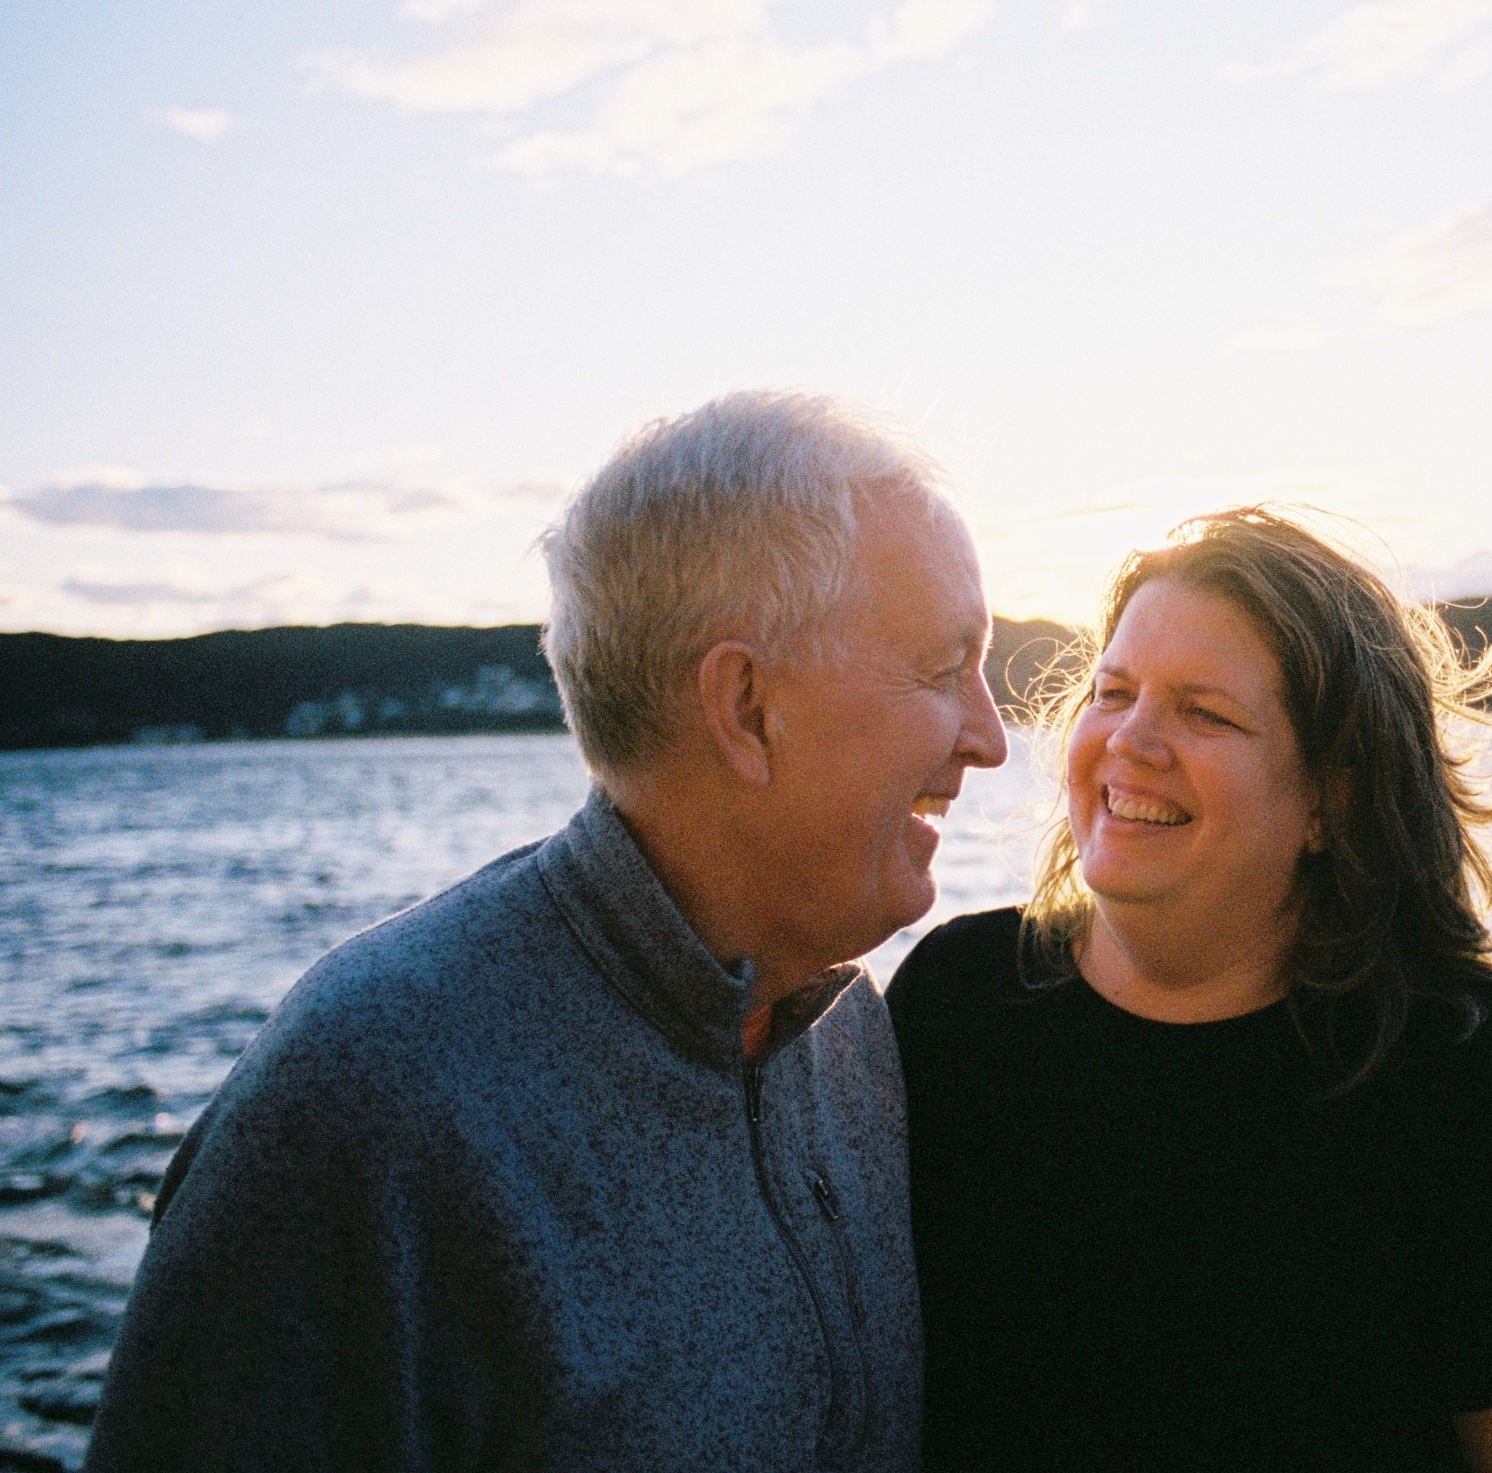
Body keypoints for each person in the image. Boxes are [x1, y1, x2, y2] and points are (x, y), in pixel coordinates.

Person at [86, 392, 1009, 1471]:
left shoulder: (847, 1036)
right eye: (944, 673)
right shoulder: (369, 1108)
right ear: (748, 708)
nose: (990, 739)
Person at [887, 507, 1492, 1473]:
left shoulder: (1455, 1073)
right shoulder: (958, 1000)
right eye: (1113, 693)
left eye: (1205, 712)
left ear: (1333, 797)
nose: (1132, 741)